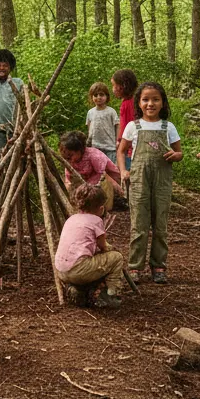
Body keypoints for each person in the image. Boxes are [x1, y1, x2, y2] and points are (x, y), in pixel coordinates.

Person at [117, 81, 182, 284]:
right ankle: (135, 267)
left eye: (155, 99)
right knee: (139, 224)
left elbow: (180, 153)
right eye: (145, 99)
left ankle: (159, 266)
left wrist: (176, 155)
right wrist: (123, 170)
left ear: (163, 102)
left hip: (162, 181)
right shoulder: (133, 126)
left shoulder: (168, 126)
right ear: (139, 102)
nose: (150, 104)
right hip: (138, 181)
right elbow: (121, 151)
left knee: (160, 225)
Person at [54, 184, 124, 309]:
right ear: (101, 208)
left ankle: (78, 290)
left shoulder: (71, 219)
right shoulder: (96, 221)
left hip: (61, 270)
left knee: (91, 263)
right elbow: (103, 246)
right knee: (116, 258)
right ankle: (110, 295)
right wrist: (108, 249)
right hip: (79, 270)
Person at [58, 131, 125, 212]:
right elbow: (68, 180)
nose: (68, 160)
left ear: (80, 150)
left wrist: (120, 190)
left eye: (70, 156)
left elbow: (103, 174)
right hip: (87, 184)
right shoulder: (70, 162)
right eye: (65, 158)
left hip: (106, 180)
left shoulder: (94, 155)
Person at [111, 69, 138, 173]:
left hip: (128, 146)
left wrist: (119, 141)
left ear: (121, 87)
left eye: (114, 85)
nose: (113, 89)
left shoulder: (127, 104)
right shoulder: (134, 100)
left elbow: (127, 125)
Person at [85, 81, 119, 163]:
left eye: (101, 94)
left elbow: (117, 126)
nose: (98, 97)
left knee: (111, 170)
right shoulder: (90, 112)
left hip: (110, 147)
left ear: (107, 96)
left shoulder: (111, 111)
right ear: (92, 97)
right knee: (99, 170)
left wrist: (118, 141)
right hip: (96, 147)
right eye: (95, 95)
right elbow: (89, 129)